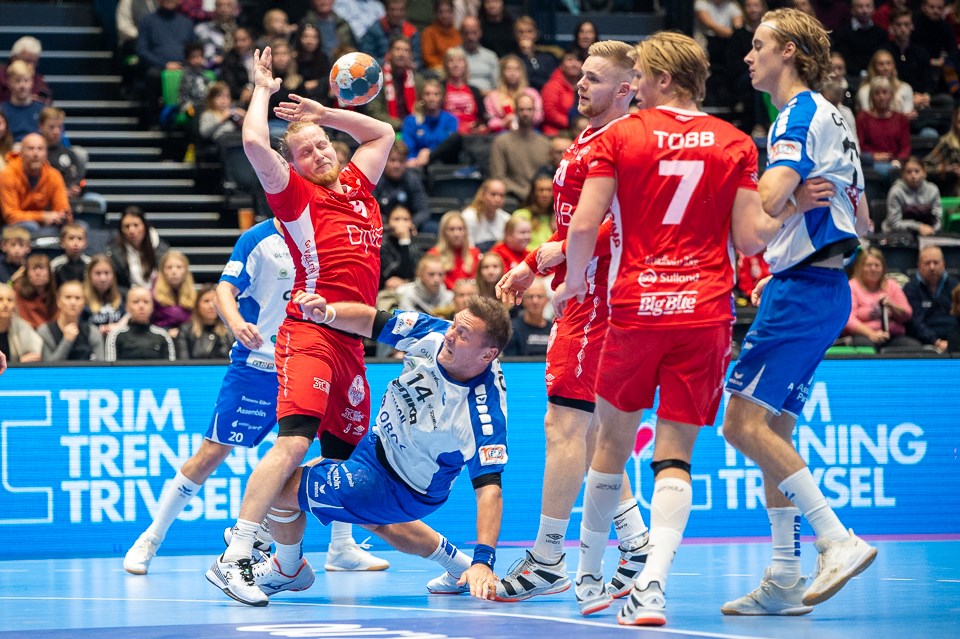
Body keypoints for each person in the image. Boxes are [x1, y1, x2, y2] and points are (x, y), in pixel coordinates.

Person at [552, 27, 838, 625]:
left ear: (662, 79)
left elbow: (582, 226)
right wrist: (793, 205)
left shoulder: (621, 134)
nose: (636, 86)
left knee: (610, 443)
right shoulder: (734, 141)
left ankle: (588, 577)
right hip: (705, 313)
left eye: (641, 76)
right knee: (675, 455)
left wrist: (574, 280)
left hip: (637, 308)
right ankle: (652, 588)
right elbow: (752, 239)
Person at [206, 45, 395, 606]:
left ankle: (291, 565)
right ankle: (236, 554)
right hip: (309, 334)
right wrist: (262, 90)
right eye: (305, 152)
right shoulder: (296, 197)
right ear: (295, 165)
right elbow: (253, 143)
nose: (317, 154)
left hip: (353, 342)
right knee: (293, 443)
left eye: (322, 145)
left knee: (342, 460)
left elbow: (382, 132)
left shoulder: (359, 187)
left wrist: (323, 113)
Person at [720, 8, 876, 621]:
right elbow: (862, 219)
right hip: (821, 285)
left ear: (787, 50)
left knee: (740, 426)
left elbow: (764, 203)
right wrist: (790, 249)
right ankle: (785, 576)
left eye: (758, 45)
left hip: (804, 290)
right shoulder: (838, 115)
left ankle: (836, 538)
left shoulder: (797, 114)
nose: (748, 56)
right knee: (773, 432)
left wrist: (776, 212)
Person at [494, 40, 650, 607]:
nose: (580, 84)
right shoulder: (589, 137)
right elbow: (574, 225)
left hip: (600, 300)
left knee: (564, 426)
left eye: (594, 78)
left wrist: (555, 260)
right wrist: (539, 264)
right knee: (587, 430)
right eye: (580, 75)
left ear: (626, 89)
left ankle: (548, 558)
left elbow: (622, 224)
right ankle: (636, 543)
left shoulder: (626, 140)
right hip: (582, 294)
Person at [249, 294, 512, 605]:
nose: (450, 335)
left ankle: (288, 568)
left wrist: (484, 560)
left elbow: (490, 491)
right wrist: (328, 312)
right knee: (372, 519)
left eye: (463, 334)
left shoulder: (481, 415)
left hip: (402, 486)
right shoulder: (436, 334)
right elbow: (372, 319)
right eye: (455, 324)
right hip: (377, 447)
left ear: (488, 354)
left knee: (279, 488)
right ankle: (458, 566)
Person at [123, 218, 289, 573]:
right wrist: (237, 324)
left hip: (305, 363)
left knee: (326, 446)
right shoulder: (258, 238)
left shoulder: (322, 233)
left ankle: (339, 546)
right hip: (257, 364)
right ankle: (151, 537)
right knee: (211, 453)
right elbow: (223, 290)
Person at [844, 247, 920, 351]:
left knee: (914, 347)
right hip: (863, 335)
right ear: (860, 267)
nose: (873, 269)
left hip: (892, 335)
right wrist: (871, 334)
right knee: (866, 347)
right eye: (868, 265)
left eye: (877, 265)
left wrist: (892, 306)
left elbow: (907, 314)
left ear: (883, 268)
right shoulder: (852, 286)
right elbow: (848, 319)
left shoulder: (892, 285)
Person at [0, 132, 71, 237]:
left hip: (45, 226)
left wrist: (60, 216)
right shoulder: (8, 174)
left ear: (46, 153)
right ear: (21, 153)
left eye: (40, 149)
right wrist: (42, 216)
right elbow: (11, 216)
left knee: (77, 228)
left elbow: (63, 210)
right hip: (14, 228)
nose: (36, 154)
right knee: (31, 226)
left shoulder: (54, 175)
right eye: (31, 148)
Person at [489, 93, 550, 201]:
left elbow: (549, 175)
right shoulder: (501, 142)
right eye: (522, 109)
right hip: (512, 197)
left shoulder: (545, 144)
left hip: (541, 199)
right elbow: (498, 176)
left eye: (529, 109)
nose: (525, 113)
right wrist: (524, 194)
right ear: (515, 112)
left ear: (535, 111)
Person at [903, 245, 960, 352]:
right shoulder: (911, 288)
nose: (932, 267)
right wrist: (936, 341)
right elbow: (915, 323)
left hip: (954, 337)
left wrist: (953, 340)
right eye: (927, 263)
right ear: (919, 265)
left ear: (943, 264)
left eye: (936, 262)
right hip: (924, 341)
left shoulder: (955, 286)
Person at [104, 286, 177, 361]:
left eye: (146, 302)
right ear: (127, 307)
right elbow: (110, 366)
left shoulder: (163, 336)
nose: (141, 306)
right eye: (136, 302)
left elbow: (171, 367)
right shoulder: (115, 335)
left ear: (152, 307)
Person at [856, 76, 911, 175]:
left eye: (885, 92)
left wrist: (898, 160)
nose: (881, 97)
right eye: (877, 93)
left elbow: (905, 146)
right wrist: (873, 156)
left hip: (895, 163)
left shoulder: (901, 119)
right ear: (871, 96)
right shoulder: (862, 118)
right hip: (870, 162)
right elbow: (859, 144)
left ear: (891, 95)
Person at [105, 206, 169, 289]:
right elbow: (116, 286)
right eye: (127, 226)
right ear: (121, 230)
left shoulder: (162, 249)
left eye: (136, 225)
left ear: (145, 226)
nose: (131, 230)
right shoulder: (114, 253)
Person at [38, 280, 104, 361]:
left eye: (78, 298)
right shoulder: (45, 331)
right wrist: (67, 341)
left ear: (84, 303)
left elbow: (101, 365)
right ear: (58, 301)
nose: (73, 303)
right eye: (68, 297)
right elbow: (47, 367)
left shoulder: (92, 332)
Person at [400, 80, 458, 169]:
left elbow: (448, 147)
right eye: (427, 94)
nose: (432, 98)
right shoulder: (410, 121)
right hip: (416, 164)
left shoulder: (450, 120)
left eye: (436, 94)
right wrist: (412, 159)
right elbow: (408, 146)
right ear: (421, 97)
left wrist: (430, 153)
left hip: (442, 164)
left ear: (442, 98)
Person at [372, 141, 429, 229]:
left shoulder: (413, 180)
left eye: (401, 161)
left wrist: (412, 224)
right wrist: (390, 225)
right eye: (392, 160)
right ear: (385, 160)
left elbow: (423, 210)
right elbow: (371, 209)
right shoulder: (375, 180)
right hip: (383, 226)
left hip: (409, 226)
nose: (397, 165)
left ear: (406, 162)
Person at [483, 54, 543, 133]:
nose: (512, 73)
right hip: (503, 132)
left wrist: (520, 119)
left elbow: (539, 116)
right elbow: (490, 121)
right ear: (502, 72)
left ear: (522, 72)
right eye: (508, 69)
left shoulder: (532, 93)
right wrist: (503, 122)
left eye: (516, 69)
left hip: (529, 130)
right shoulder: (493, 96)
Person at [884, 156, 942, 236]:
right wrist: (919, 227)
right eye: (909, 172)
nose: (913, 175)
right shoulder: (896, 192)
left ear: (924, 173)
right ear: (903, 175)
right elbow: (895, 224)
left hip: (929, 233)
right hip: (898, 234)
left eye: (917, 171)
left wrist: (932, 230)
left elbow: (938, 219)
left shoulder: (933, 190)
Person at [174, 283, 233, 359]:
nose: (211, 306)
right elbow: (183, 362)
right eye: (206, 301)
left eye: (215, 301)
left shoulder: (231, 331)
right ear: (197, 305)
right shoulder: (186, 331)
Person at [428, 210, 480, 289]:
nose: (456, 234)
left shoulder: (474, 253)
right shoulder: (434, 255)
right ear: (444, 232)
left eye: (460, 229)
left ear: (465, 231)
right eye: (451, 229)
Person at [855, 50, 915, 117]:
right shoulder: (865, 90)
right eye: (881, 64)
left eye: (888, 63)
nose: (886, 68)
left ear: (893, 66)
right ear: (874, 67)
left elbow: (908, 114)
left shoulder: (905, 88)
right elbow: (867, 116)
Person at [150, 250, 196, 338]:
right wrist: (166, 332)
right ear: (162, 271)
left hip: (186, 336)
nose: (174, 271)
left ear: (185, 271)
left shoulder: (193, 295)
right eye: (169, 267)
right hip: (159, 336)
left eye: (179, 267)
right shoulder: (152, 295)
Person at [503, 277, 551, 357]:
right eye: (530, 296)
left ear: (547, 300)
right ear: (522, 300)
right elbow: (510, 362)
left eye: (539, 296)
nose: (535, 301)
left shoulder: (554, 329)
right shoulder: (512, 329)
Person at [0, 61, 45, 142]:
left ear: (32, 82)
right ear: (9, 83)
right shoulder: (2, 111)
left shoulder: (43, 110)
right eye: (17, 81)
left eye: (26, 80)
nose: (22, 86)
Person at [461, 179, 510, 252]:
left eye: (501, 195)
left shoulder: (506, 218)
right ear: (482, 195)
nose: (497, 199)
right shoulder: (469, 216)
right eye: (493, 194)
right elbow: (468, 249)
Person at [541, 50, 582, 136]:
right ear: (561, 65)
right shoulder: (552, 85)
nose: (574, 64)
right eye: (570, 60)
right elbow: (549, 112)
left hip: (580, 130)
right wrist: (572, 124)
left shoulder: (585, 85)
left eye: (578, 60)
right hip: (555, 132)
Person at [81, 254, 125, 336]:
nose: (103, 278)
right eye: (98, 273)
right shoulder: (81, 298)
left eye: (107, 273)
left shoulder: (122, 296)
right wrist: (96, 331)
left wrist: (119, 326)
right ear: (89, 275)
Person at [0, 281, 42, 365]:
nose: (5, 304)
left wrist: (20, 363)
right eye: (0, 299)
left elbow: (36, 353)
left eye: (10, 300)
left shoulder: (23, 327)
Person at [13, 253, 58, 329]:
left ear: (49, 273)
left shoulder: (54, 296)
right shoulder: (17, 292)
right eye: (34, 269)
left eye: (42, 268)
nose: (38, 273)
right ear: (27, 274)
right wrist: (11, 281)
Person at [924, 106, 960, 196]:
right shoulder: (948, 142)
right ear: (955, 124)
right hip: (954, 191)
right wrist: (947, 169)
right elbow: (924, 167)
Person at [512, 174, 554, 250]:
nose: (545, 194)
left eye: (549, 190)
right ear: (533, 193)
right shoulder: (521, 215)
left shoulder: (559, 218)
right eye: (541, 190)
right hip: (528, 256)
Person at [460, 16, 499, 94]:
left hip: (488, 97)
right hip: (463, 96)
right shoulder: (455, 55)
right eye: (467, 33)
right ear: (461, 34)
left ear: (480, 33)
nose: (470, 37)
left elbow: (497, 84)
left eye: (474, 33)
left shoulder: (491, 56)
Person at [421, 0, 462, 73]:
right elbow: (428, 57)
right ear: (436, 14)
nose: (445, 15)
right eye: (441, 12)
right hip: (436, 70)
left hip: (457, 70)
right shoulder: (428, 32)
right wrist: (446, 67)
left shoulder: (458, 33)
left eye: (448, 11)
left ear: (452, 13)